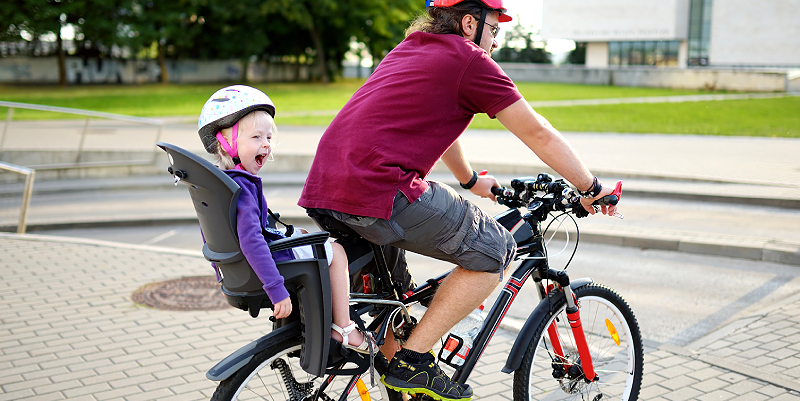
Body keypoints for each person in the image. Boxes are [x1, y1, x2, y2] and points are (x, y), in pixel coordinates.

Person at [298, 0, 620, 399]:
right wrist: (591, 187)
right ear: (470, 22)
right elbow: (538, 132)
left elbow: (439, 117)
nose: (495, 42)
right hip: (380, 189)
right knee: (495, 250)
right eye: (494, 30)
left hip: (327, 189)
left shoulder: (412, 46)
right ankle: (414, 363)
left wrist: (468, 179)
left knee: (395, 307)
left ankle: (399, 366)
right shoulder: (469, 60)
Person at [197, 85, 374, 354]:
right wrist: (276, 288)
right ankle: (344, 327)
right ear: (224, 142)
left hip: (241, 269)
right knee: (337, 252)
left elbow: (211, 233)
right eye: (256, 137)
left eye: (268, 136)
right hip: (268, 264)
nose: (266, 144)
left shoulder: (222, 183)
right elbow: (252, 240)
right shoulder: (242, 189)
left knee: (304, 236)